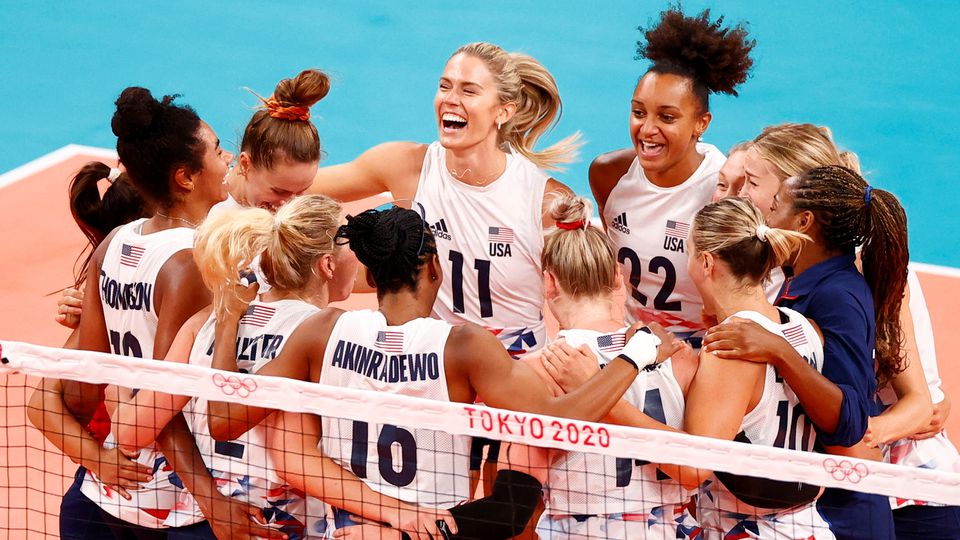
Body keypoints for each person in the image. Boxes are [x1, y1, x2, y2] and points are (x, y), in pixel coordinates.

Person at [207, 206, 663, 537]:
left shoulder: (321, 332)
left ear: (371, 279)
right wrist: (633, 356)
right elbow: (559, 421)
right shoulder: (463, 347)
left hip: (349, 531)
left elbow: (223, 420)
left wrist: (228, 323)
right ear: (434, 269)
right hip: (433, 532)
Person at [27, 87, 269, 540]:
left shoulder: (114, 242)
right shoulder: (190, 261)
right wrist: (212, 502)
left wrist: (99, 447)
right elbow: (163, 400)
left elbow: (83, 383)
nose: (227, 158)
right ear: (186, 177)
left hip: (108, 492)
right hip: (176, 503)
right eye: (217, 150)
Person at [704, 165, 914, 539]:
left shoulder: (839, 296)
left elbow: (850, 419)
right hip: (808, 503)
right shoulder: (804, 281)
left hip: (845, 513)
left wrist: (780, 351)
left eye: (776, 205)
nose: (768, 215)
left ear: (803, 222)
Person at [589, 7, 754, 345]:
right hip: (634, 342)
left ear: (701, 124)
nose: (647, 129)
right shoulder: (608, 174)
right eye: (639, 112)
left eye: (667, 117)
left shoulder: (725, 190)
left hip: (708, 346)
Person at [216, 68, 331, 214]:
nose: (289, 206)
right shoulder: (207, 213)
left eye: (301, 192)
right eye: (279, 191)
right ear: (245, 164)